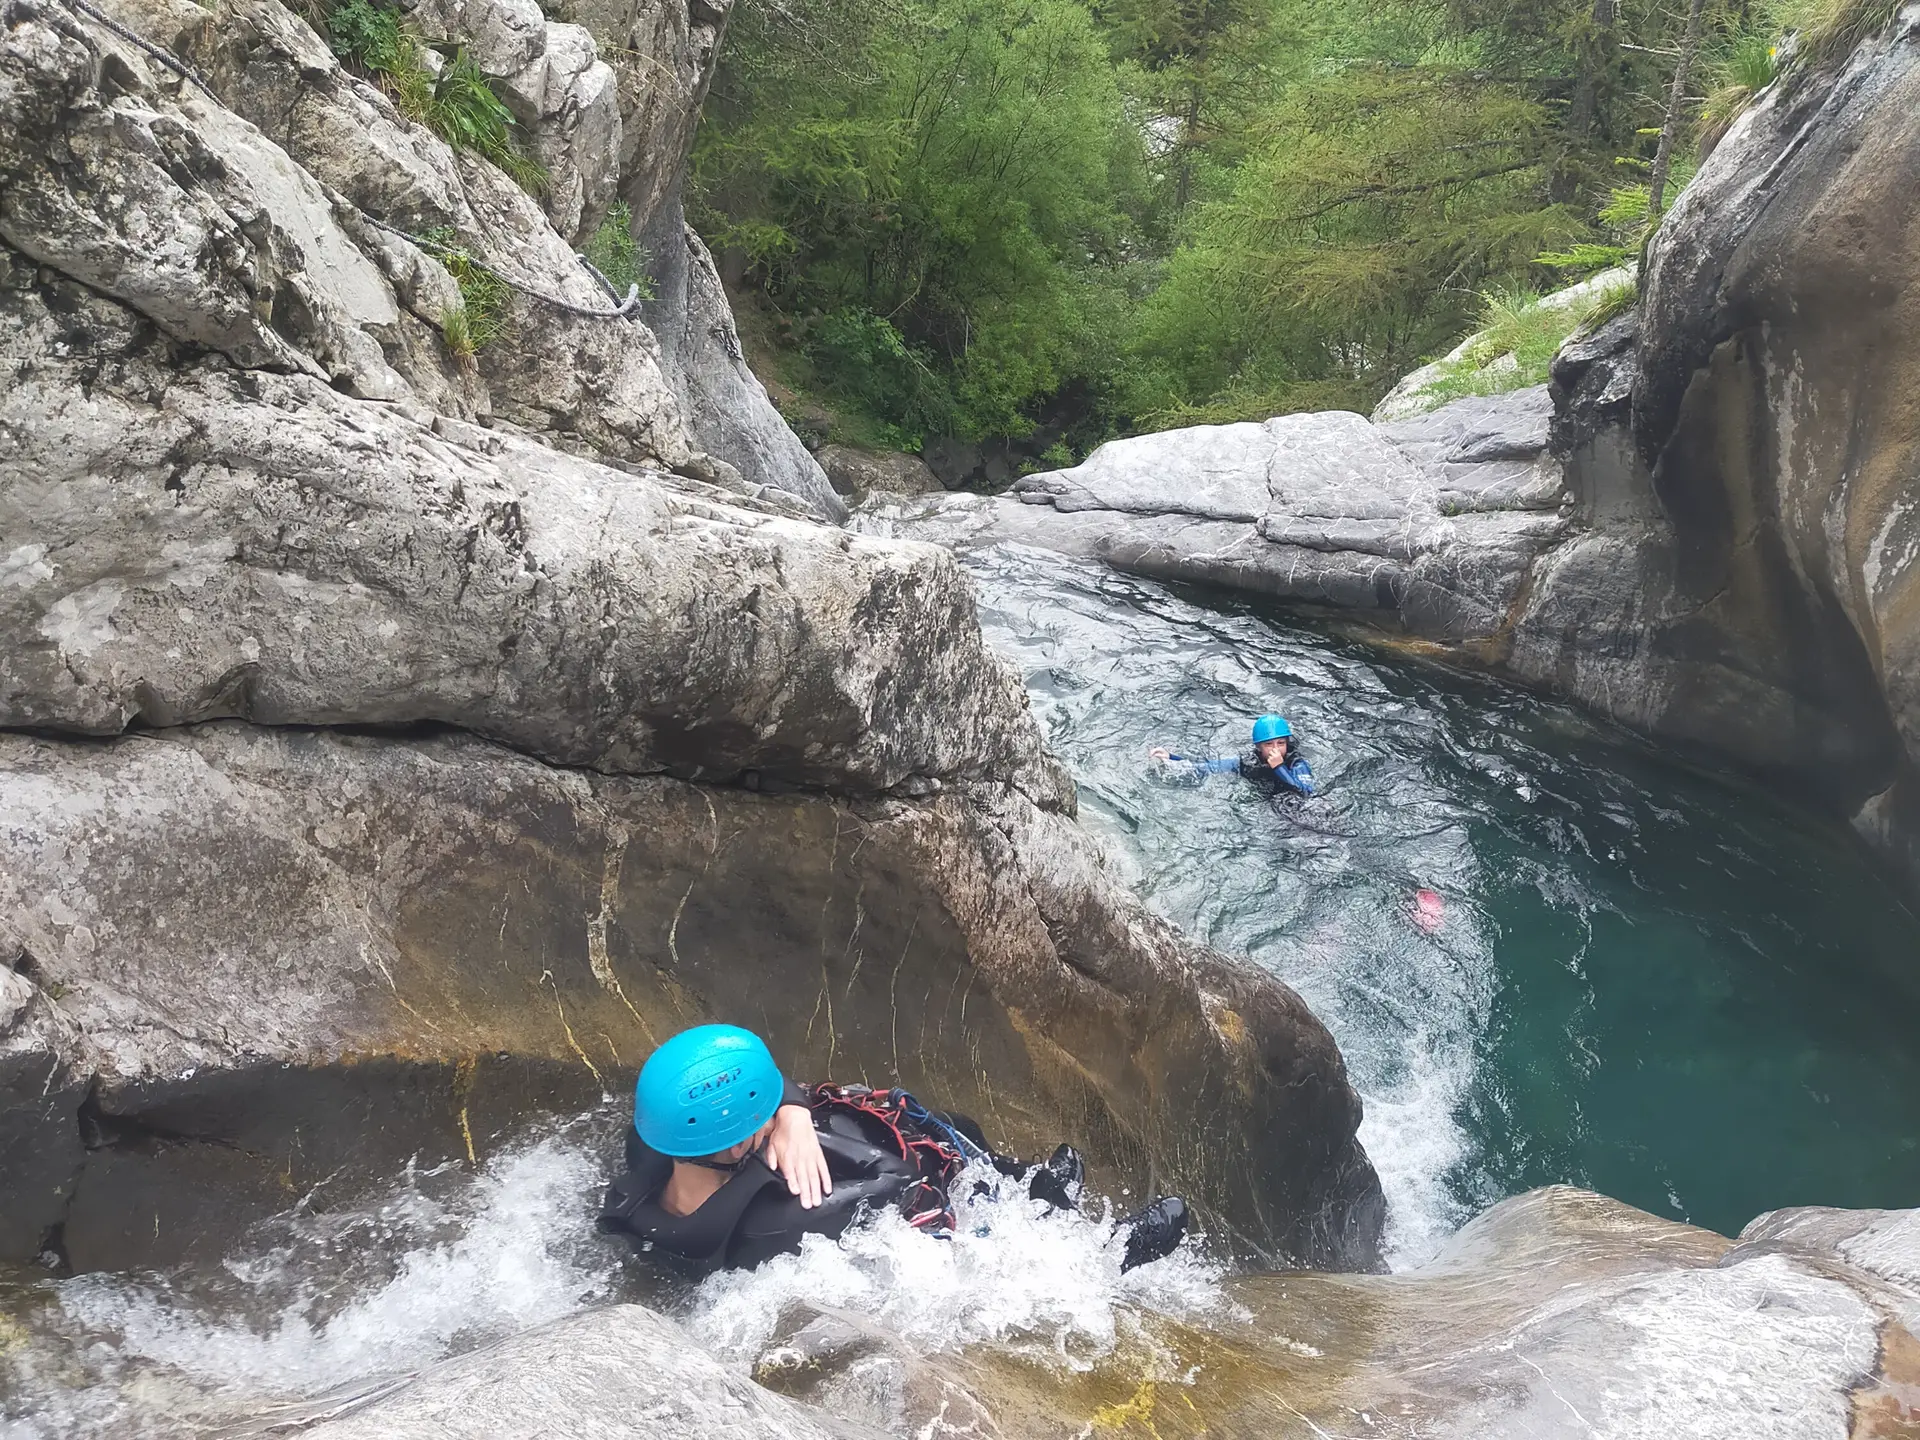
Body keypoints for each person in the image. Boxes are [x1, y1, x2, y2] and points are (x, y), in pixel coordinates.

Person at [598, 1024, 1189, 1275]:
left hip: (741, 1190)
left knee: (943, 1130)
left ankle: (1030, 1178)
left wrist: (794, 1113)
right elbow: (900, 1183)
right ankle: (1100, 1254)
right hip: (903, 1240)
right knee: (945, 1154)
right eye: (764, 1107)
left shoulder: (650, 1159)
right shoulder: (787, 1216)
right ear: (732, 1141)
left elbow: (733, 1120)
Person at [1150, 713, 1316, 797]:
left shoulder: (1296, 764)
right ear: (1259, 747)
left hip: (1295, 804)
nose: (1275, 749)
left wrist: (1279, 767)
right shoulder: (1248, 762)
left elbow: (1305, 793)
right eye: (1268, 744)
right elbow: (1209, 767)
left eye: (1281, 743)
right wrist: (1171, 758)